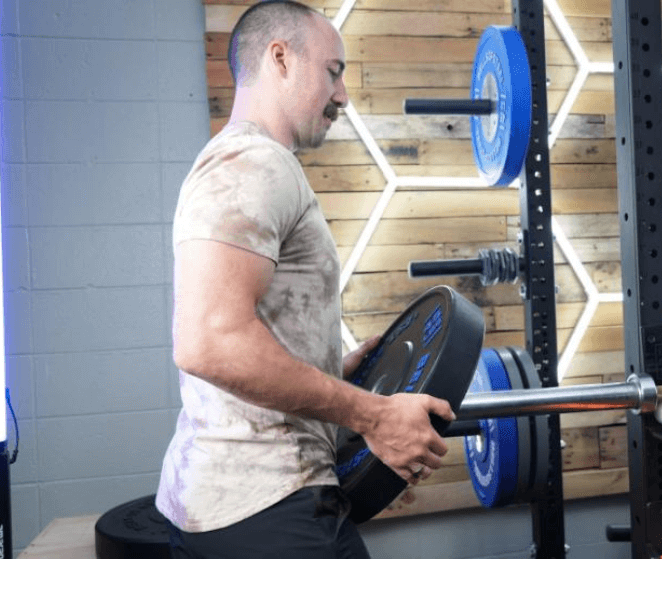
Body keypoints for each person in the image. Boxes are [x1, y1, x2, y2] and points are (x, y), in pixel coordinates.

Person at [155, 0, 455, 558]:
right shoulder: (254, 164)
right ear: (280, 58)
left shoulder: (242, 162)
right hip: (269, 507)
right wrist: (374, 415)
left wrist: (327, 371)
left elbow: (238, 332)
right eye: (333, 71)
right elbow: (207, 343)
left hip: (240, 504)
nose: (343, 94)